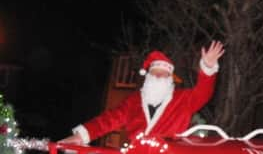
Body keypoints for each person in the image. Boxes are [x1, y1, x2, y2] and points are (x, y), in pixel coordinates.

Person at [61, 40, 225, 145]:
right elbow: (108, 120)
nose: (159, 77)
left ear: (170, 78)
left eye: (164, 74)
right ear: (148, 76)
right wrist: (82, 136)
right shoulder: (133, 101)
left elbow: (203, 93)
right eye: (155, 73)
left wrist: (208, 68)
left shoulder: (182, 99)